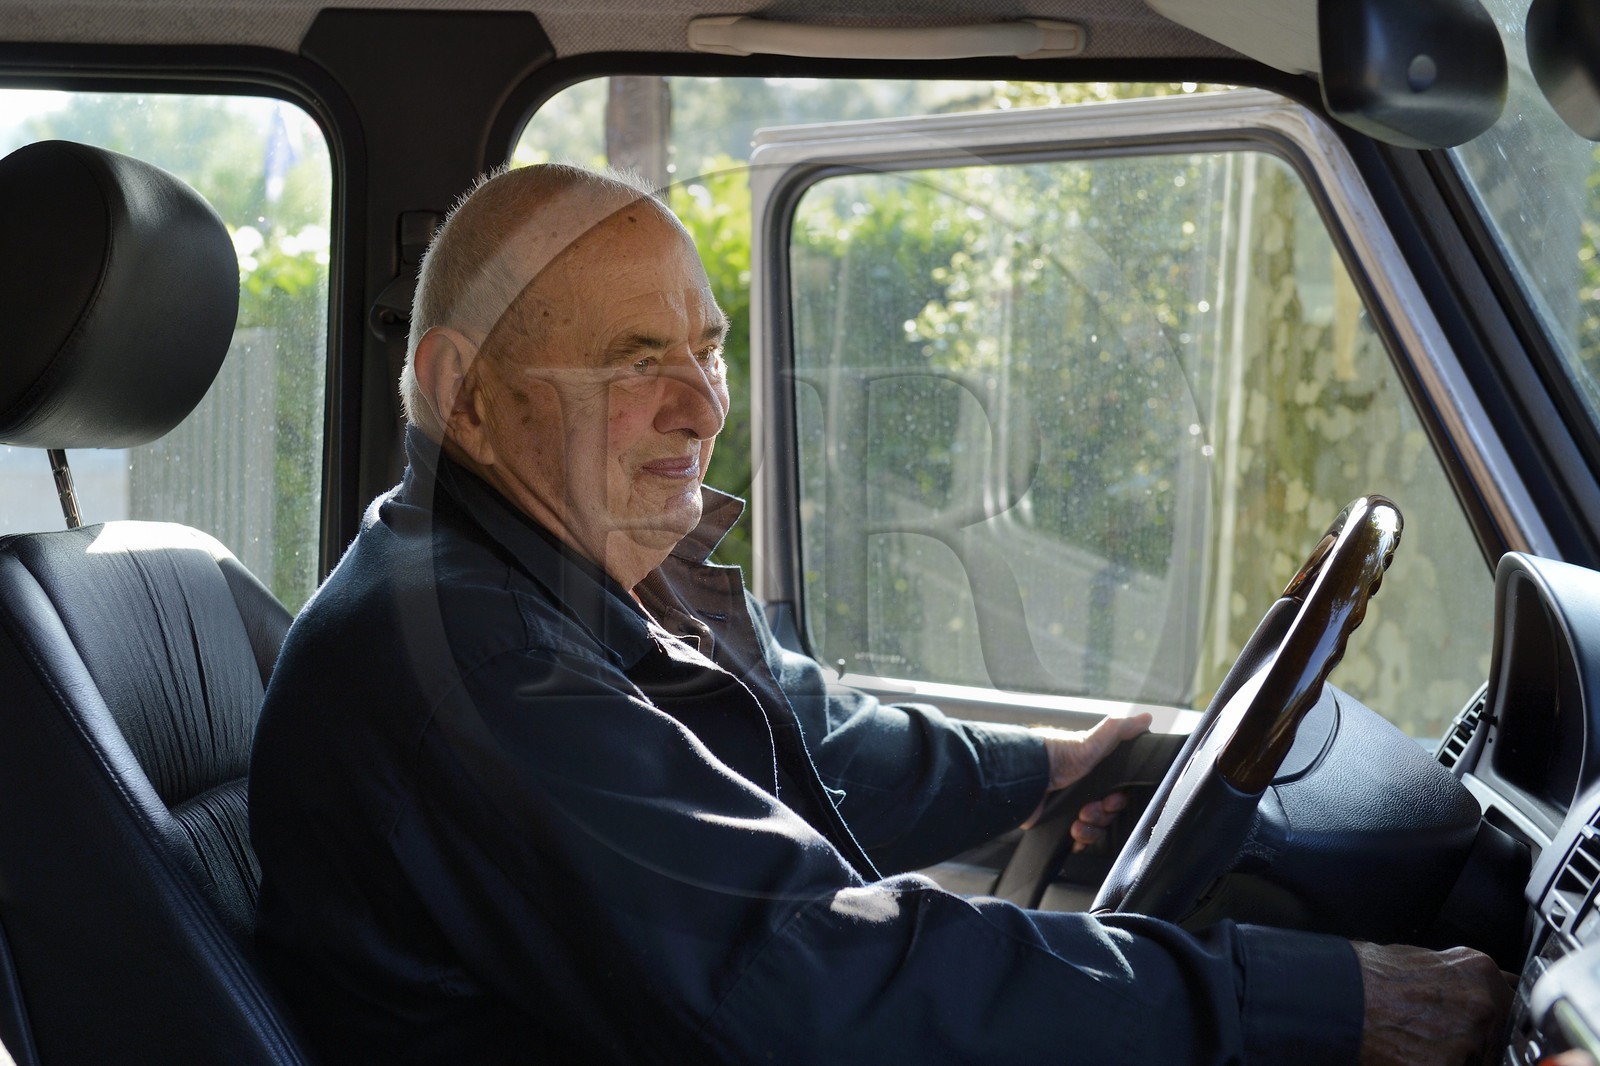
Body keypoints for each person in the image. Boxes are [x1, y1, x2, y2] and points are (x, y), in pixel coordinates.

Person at [250, 163, 1509, 1064]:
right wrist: (1316, 1004)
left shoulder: (562, 575)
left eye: (711, 346)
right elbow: (797, 973)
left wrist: (1050, 772)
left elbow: (810, 742)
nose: (702, 405)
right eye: (638, 361)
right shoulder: (468, 658)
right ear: (460, 394)